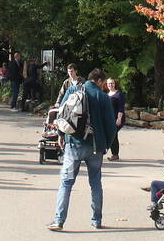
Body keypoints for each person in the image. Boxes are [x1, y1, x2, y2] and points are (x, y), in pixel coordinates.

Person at [48, 69, 117, 231]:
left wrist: (61, 134)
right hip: (95, 147)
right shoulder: (103, 97)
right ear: (99, 81)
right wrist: (106, 144)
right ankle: (96, 220)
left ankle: (59, 220)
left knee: (66, 183)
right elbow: (111, 126)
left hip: (74, 144)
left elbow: (62, 114)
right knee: (95, 183)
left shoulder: (73, 90)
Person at [106, 76, 126, 161]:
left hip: (118, 118)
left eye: (112, 83)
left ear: (115, 84)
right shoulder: (106, 94)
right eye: (109, 83)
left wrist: (119, 119)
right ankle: (113, 153)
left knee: (113, 135)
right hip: (110, 119)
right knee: (113, 135)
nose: (111, 85)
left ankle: (115, 154)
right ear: (107, 85)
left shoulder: (119, 94)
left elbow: (121, 108)